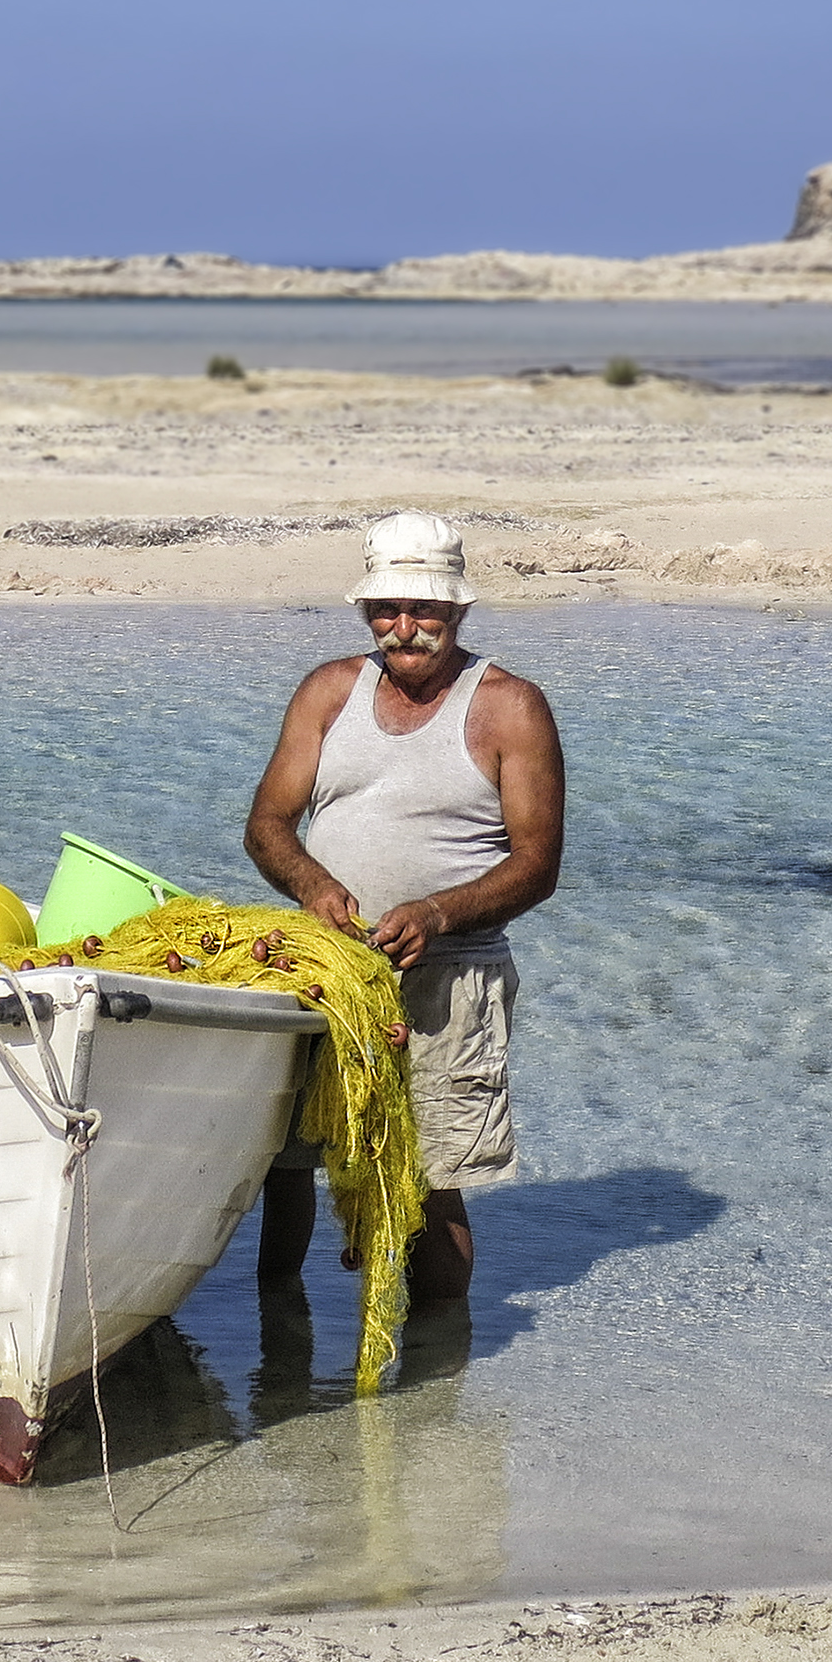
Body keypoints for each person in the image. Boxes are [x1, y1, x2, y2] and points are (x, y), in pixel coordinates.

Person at [244, 510, 565, 1300]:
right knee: (283, 1164)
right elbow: (266, 825)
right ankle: (276, 1351)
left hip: (449, 980)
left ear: (458, 608)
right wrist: (314, 887)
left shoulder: (511, 707)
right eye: (387, 610)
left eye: (424, 609)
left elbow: (538, 865)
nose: (405, 627)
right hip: (325, 972)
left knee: (430, 1175)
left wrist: (437, 914)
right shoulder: (327, 693)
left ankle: (434, 1388)